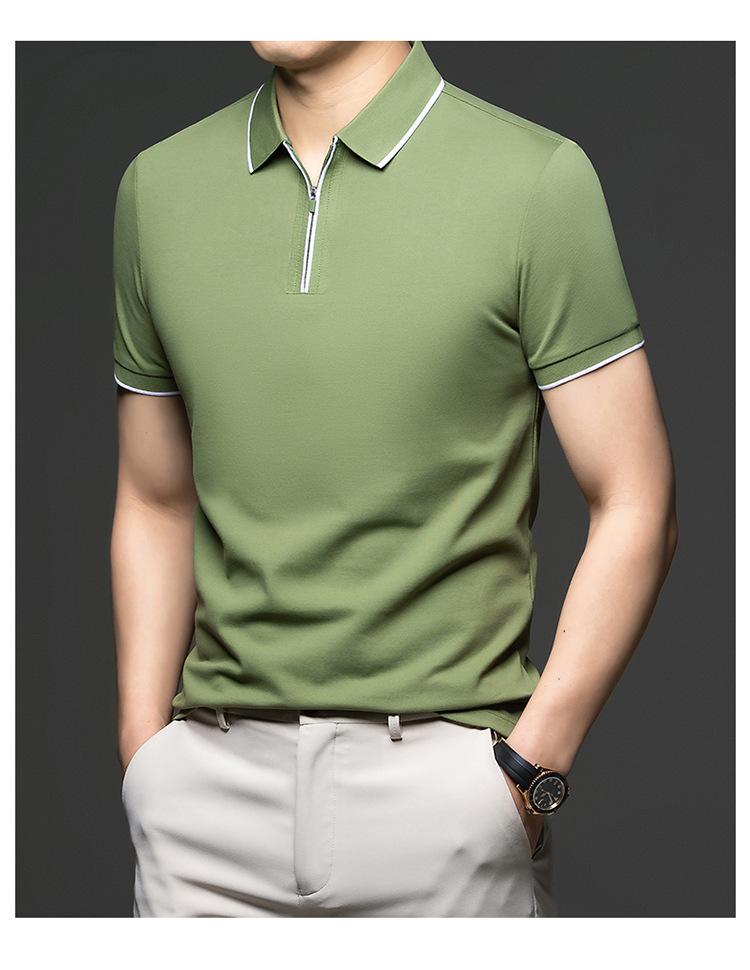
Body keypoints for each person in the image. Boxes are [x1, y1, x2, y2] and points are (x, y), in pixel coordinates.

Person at [111, 40, 677, 918]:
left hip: (445, 808)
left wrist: (530, 772)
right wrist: (145, 755)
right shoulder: (159, 187)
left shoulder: (536, 181)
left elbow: (636, 498)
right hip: (202, 809)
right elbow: (155, 498)